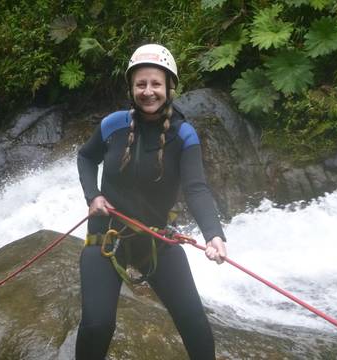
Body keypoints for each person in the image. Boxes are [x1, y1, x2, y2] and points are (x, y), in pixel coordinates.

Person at [76, 43, 227, 360]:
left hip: (157, 239)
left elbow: (196, 188)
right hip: (106, 239)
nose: (148, 91)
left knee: (195, 323)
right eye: (140, 84)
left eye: (156, 83)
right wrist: (94, 195)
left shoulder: (184, 135)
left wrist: (214, 234)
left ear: (169, 87)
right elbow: (86, 157)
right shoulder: (112, 125)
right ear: (131, 88)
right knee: (97, 325)